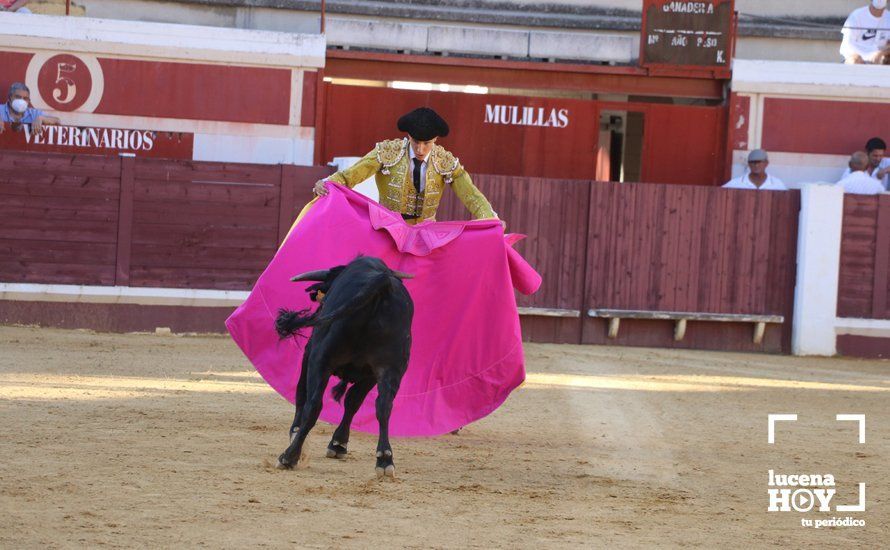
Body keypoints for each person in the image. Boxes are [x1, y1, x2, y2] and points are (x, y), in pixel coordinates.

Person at [313, 107, 499, 225]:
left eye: (427, 143)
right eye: (416, 141)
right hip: (386, 229)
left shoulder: (445, 162)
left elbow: (471, 195)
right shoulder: (387, 153)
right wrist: (327, 184)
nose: (420, 148)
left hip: (426, 234)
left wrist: (490, 219)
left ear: (436, 139)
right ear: (408, 136)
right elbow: (350, 176)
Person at [722, 149, 788, 190]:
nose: (756, 165)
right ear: (749, 164)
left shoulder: (777, 184)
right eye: (753, 162)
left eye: (759, 162)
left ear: (766, 163)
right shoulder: (735, 183)